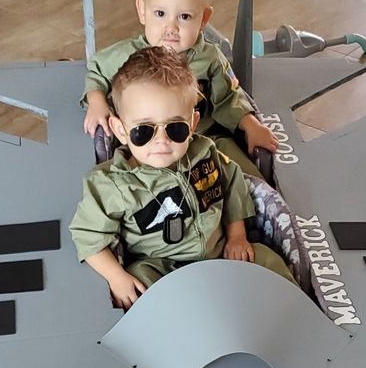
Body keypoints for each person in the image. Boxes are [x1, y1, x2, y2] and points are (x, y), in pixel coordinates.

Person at [70, 46, 294, 310]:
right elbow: (87, 235)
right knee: (139, 282)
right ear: (120, 130)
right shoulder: (112, 184)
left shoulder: (205, 152)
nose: (161, 140)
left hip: (218, 254)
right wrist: (116, 277)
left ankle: (292, 313)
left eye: (175, 128)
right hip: (161, 267)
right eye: (143, 131)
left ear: (193, 122)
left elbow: (233, 182)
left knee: (268, 259)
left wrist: (236, 236)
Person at [82, 0, 278, 179]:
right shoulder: (128, 56)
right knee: (124, 181)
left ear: (204, 19)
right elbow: (97, 70)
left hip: (205, 140)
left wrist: (251, 125)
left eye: (184, 16)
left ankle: (258, 208)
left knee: (244, 176)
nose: (171, 27)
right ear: (142, 11)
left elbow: (228, 98)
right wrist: (97, 101)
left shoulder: (209, 59)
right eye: (160, 13)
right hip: (150, 148)